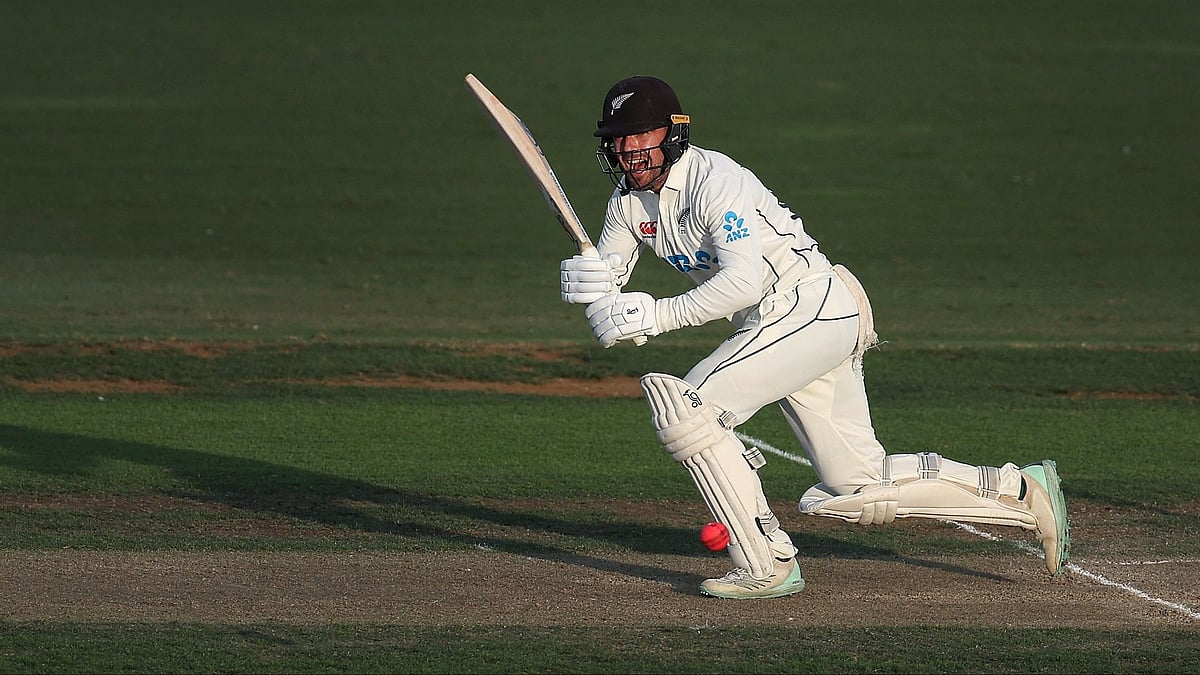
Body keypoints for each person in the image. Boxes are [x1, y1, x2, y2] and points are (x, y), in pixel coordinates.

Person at [558, 75, 1070, 600]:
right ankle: (1023, 491)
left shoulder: (717, 181)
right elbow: (610, 284)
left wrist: (657, 315)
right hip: (780, 329)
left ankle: (765, 561)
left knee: (689, 408)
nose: (629, 151)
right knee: (855, 487)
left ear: (673, 133)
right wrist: (593, 292)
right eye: (619, 140)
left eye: (641, 135)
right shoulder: (626, 205)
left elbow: (742, 282)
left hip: (809, 306)